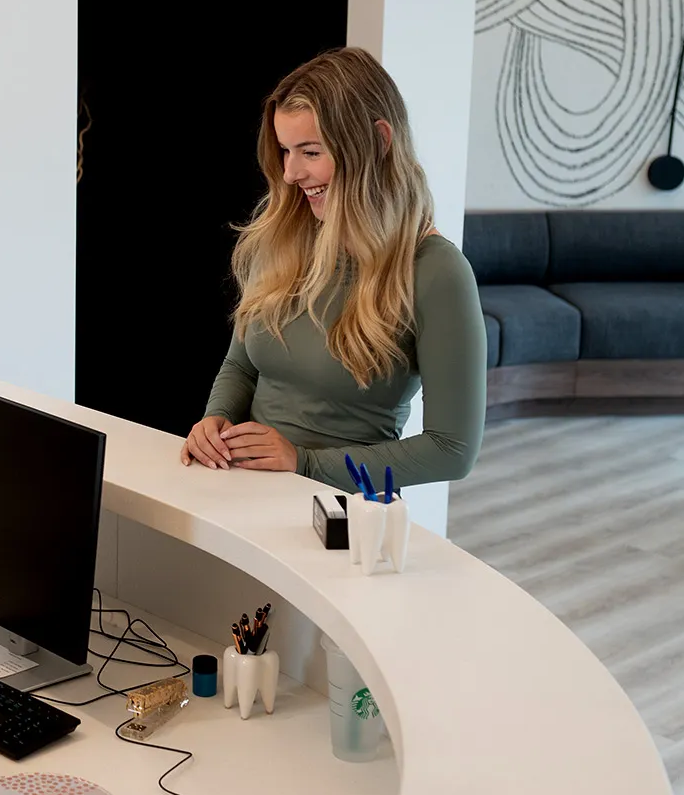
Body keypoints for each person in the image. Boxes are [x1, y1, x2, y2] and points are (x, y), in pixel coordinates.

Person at [180, 47, 484, 490]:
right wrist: (215, 422)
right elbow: (242, 365)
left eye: (310, 151)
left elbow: (451, 451)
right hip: (239, 490)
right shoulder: (281, 238)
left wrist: (304, 464)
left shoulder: (437, 272)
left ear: (379, 142)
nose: (290, 173)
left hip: (342, 516)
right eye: (285, 151)